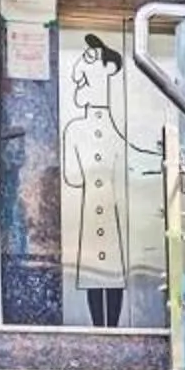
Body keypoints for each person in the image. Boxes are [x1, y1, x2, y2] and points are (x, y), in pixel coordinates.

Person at [62, 34, 133, 327]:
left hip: (105, 212)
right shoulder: (77, 130)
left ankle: (111, 332)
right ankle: (102, 332)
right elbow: (71, 178)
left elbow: (74, 176)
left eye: (90, 58)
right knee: (97, 272)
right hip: (93, 213)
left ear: (109, 70)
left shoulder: (116, 132)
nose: (79, 71)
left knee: (109, 272)